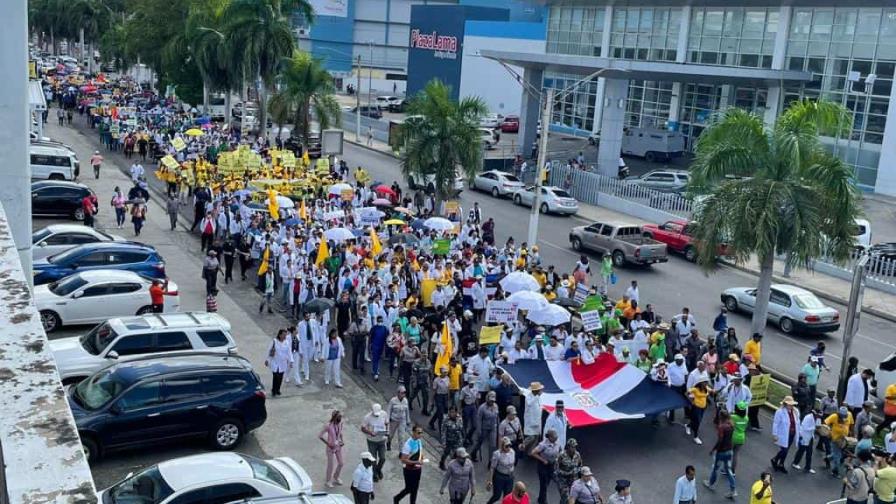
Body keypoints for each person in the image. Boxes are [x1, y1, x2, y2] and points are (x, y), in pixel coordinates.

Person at [703, 409, 737, 499]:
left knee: (715, 468)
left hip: (722, 451)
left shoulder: (722, 427)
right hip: (730, 450)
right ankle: (733, 490)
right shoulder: (731, 425)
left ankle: (711, 483)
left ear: (721, 416)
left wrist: (714, 449)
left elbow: (720, 440)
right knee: (729, 471)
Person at [393, 425, 424, 504]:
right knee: (409, 488)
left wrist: (421, 458)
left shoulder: (419, 441)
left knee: (415, 489)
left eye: (421, 432)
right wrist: (416, 462)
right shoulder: (408, 444)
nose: (420, 434)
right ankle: (397, 498)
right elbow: (403, 460)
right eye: (418, 432)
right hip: (409, 470)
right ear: (413, 432)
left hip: (417, 469)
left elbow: (419, 452)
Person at [770, 395, 800, 473]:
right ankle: (775, 460)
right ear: (785, 404)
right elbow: (776, 423)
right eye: (789, 404)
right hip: (783, 434)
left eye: (791, 404)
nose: (791, 406)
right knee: (784, 450)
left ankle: (780, 463)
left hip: (791, 434)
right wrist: (775, 434)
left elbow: (797, 423)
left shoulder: (795, 412)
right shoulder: (780, 412)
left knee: (786, 450)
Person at [530, 429, 561, 504]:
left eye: (556, 437)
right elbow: (533, 453)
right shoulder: (543, 445)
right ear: (549, 437)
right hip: (543, 466)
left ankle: (541, 498)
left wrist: (557, 458)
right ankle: (543, 501)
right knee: (543, 484)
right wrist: (543, 460)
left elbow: (559, 450)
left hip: (552, 465)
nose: (556, 438)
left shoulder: (557, 443)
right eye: (554, 437)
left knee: (546, 483)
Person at [824, 406, 855, 478]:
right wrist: (828, 432)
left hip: (845, 440)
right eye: (842, 416)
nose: (844, 418)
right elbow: (825, 423)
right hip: (835, 439)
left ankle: (827, 458)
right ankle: (835, 471)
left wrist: (852, 433)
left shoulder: (849, 414)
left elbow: (852, 424)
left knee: (837, 454)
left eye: (845, 416)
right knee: (837, 456)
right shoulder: (834, 416)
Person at [361, 403, 388, 481]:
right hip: (372, 441)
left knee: (383, 458)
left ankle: (378, 469)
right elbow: (363, 428)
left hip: (382, 440)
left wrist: (387, 431)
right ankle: (374, 473)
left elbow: (386, 423)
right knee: (373, 459)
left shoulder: (384, 414)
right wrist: (370, 432)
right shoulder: (367, 417)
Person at [486, 437, 516, 504]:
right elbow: (492, 467)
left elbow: (513, 464)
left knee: (507, 496)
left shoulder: (512, 452)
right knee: (497, 495)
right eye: (506, 446)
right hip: (499, 476)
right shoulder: (497, 454)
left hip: (509, 477)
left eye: (509, 445)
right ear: (502, 446)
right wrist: (490, 480)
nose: (508, 448)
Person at [473, 391, 500, 464]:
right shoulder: (482, 407)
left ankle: (490, 461)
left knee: (492, 445)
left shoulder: (496, 406)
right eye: (490, 400)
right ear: (487, 398)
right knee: (479, 442)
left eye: (493, 400)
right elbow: (478, 420)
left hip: (493, 428)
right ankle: (473, 453)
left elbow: (497, 417)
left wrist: (498, 426)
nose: (492, 402)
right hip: (484, 428)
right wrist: (479, 430)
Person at [319, 410, 345, 487]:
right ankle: (328, 481)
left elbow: (340, 433)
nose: (340, 418)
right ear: (334, 417)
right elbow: (320, 436)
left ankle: (336, 477)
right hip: (330, 447)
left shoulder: (340, 424)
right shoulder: (328, 425)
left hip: (338, 446)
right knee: (331, 465)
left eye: (340, 417)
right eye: (338, 417)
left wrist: (342, 441)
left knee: (341, 463)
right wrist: (328, 444)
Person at [266, 329, 293, 397]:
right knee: (276, 376)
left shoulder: (286, 342)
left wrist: (291, 361)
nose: (285, 336)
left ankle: (278, 389)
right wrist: (267, 360)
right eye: (283, 335)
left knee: (280, 377)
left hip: (283, 362)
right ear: (280, 335)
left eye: (285, 335)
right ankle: (273, 390)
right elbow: (269, 351)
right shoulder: (274, 341)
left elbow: (289, 352)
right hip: (275, 361)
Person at [555, 439, 582, 504]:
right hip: (563, 480)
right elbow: (556, 469)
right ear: (568, 447)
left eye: (575, 447)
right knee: (565, 497)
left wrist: (577, 472)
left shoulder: (577, 454)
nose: (574, 448)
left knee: (574, 496)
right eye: (572, 447)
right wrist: (567, 473)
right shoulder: (561, 455)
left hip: (573, 480)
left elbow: (580, 465)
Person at [791, 409, 818, 474]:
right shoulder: (808, 418)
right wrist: (814, 428)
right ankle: (795, 463)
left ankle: (808, 467)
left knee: (809, 452)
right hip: (804, 436)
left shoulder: (817, 418)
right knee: (801, 451)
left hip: (810, 437)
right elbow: (805, 428)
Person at [387, 386, 411, 451]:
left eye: (404, 393)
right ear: (398, 393)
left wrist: (408, 420)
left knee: (402, 436)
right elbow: (389, 410)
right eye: (402, 393)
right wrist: (387, 420)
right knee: (391, 434)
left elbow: (407, 411)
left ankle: (401, 451)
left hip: (402, 420)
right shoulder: (393, 400)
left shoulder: (405, 400)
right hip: (394, 420)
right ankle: (388, 442)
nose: (403, 394)